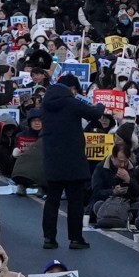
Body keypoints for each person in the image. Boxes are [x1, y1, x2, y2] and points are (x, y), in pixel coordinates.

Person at [36, 74, 105, 250]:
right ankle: (76, 238)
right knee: (75, 201)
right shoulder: (71, 102)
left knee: (52, 200)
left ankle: (49, 238)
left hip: (52, 158)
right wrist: (101, 103)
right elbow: (94, 113)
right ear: (72, 88)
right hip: (73, 159)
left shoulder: (46, 102)